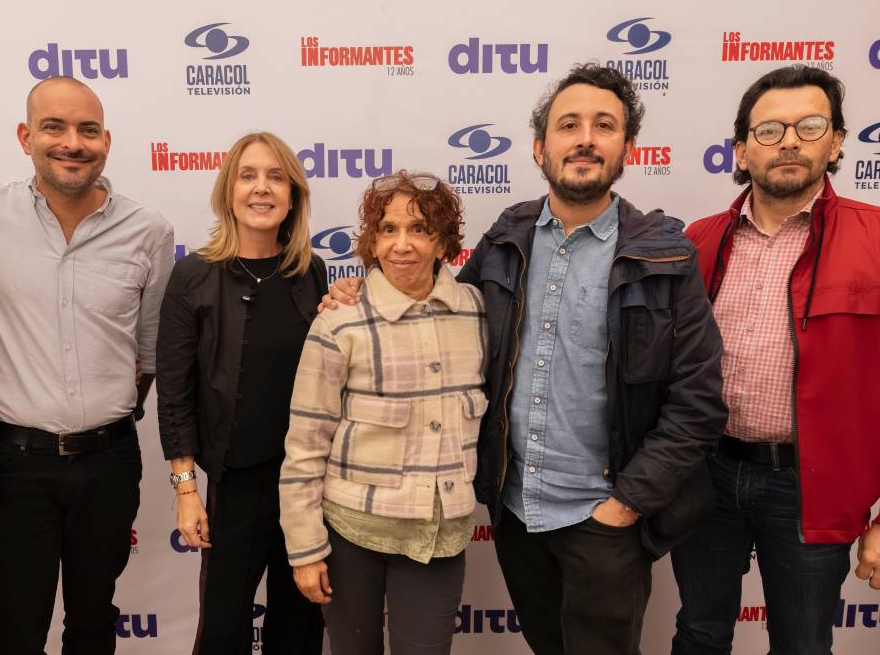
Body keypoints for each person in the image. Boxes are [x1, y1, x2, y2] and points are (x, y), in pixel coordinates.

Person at [323, 64, 727, 655]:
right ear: (541, 146)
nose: (585, 138)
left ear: (626, 148)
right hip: (517, 513)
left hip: (605, 517)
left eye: (604, 125)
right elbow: (438, 313)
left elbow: (698, 401)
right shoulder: (508, 236)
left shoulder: (665, 258)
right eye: (569, 125)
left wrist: (628, 502)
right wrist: (362, 291)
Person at [671, 65, 880, 655]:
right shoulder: (700, 240)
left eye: (809, 126)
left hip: (812, 485)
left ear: (836, 142)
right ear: (741, 149)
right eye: (768, 131)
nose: (788, 141)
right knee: (700, 631)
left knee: (803, 643)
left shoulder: (875, 240)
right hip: (706, 473)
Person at [0, 76, 174, 655]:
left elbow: (148, 353)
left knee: (93, 623)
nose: (72, 143)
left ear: (106, 141)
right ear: (25, 136)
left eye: (88, 130)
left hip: (109, 465)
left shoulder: (149, 231)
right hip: (13, 468)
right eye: (55, 127)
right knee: (17, 627)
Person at [280, 171, 487, 655]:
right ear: (371, 241)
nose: (402, 245)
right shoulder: (339, 319)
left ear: (444, 244)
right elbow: (306, 444)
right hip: (352, 534)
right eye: (389, 229)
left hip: (438, 537)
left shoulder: (477, 312)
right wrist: (305, 548)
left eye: (420, 230)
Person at [156, 132, 326, 654]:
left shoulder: (311, 272)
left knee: (299, 627)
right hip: (236, 486)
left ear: (293, 195)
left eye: (276, 177)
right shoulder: (194, 276)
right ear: (228, 191)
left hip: (309, 484)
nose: (261, 188)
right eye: (248, 175)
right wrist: (186, 491)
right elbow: (175, 392)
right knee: (224, 630)